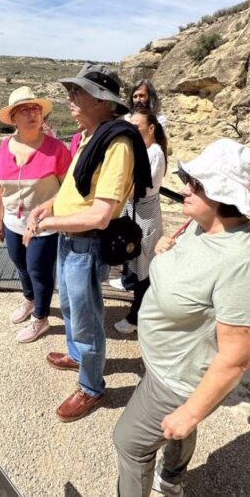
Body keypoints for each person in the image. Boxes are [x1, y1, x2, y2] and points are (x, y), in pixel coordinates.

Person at [113, 138, 250, 496]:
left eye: (197, 184)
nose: (184, 187)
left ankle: (166, 479)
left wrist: (191, 411)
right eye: (189, 178)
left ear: (222, 194)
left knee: (129, 443)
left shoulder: (244, 263)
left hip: (179, 379)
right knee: (169, 434)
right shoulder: (200, 226)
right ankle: (172, 479)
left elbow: (238, 357)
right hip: (168, 362)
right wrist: (164, 253)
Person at [23, 63, 152, 422]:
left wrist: (47, 221)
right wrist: (51, 204)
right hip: (71, 239)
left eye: (77, 92)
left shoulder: (117, 145)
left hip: (87, 242)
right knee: (71, 306)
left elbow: (100, 215)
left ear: (100, 100)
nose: (70, 98)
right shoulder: (90, 135)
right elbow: (74, 188)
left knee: (86, 316)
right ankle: (79, 356)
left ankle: (92, 386)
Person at [0, 86, 71, 343]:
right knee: (21, 266)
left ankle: (41, 318)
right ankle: (29, 300)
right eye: (24, 110)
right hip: (13, 222)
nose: (31, 114)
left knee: (39, 270)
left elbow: (69, 189)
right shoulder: (4, 148)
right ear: (13, 118)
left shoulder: (56, 149)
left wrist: (47, 211)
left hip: (44, 224)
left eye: (35, 109)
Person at [113, 108, 169, 335]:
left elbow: (137, 187)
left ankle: (137, 316)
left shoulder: (154, 153)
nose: (132, 131)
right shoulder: (143, 150)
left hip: (144, 214)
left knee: (144, 264)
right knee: (137, 261)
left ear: (151, 128)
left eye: (137, 127)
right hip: (135, 210)